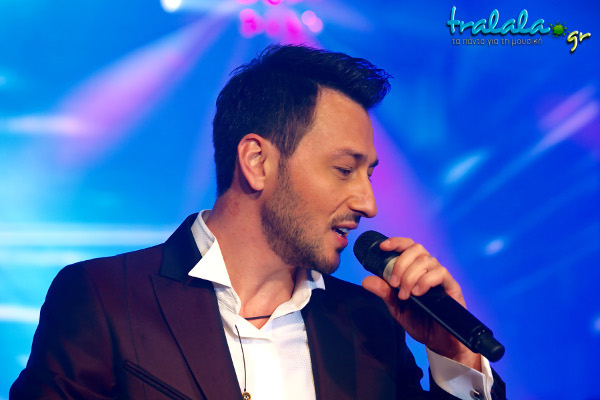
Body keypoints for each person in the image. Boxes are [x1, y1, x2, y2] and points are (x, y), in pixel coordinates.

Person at [11, 44, 506, 400]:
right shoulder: (105, 297)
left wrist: (456, 355)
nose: (368, 203)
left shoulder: (367, 324)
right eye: (344, 169)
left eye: (370, 175)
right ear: (257, 161)